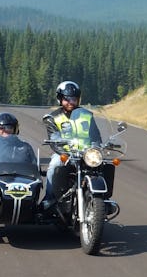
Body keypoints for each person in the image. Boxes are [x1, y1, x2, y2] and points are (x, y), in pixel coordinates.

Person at [41, 81, 102, 210]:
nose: (70, 102)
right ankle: (49, 198)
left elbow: (95, 135)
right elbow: (53, 138)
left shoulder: (87, 115)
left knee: (104, 164)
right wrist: (63, 152)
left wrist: (96, 148)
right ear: (60, 99)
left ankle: (102, 198)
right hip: (65, 153)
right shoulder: (53, 117)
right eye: (66, 99)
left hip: (86, 154)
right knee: (54, 164)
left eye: (74, 99)